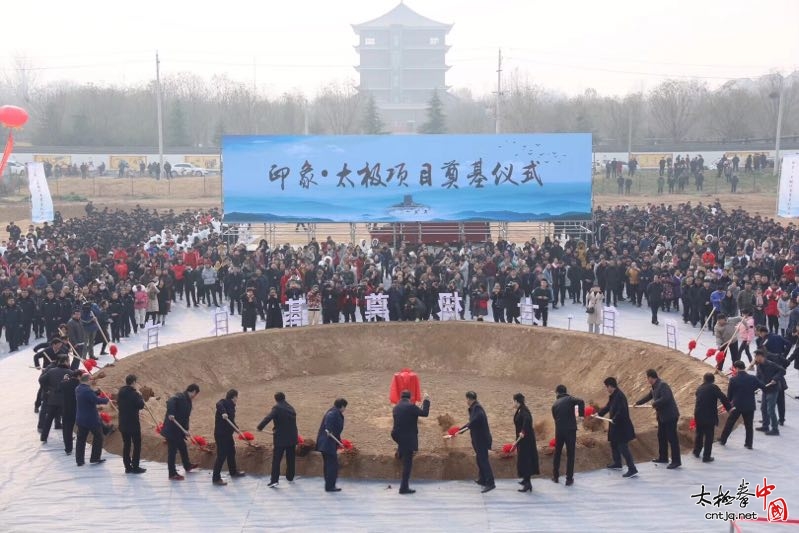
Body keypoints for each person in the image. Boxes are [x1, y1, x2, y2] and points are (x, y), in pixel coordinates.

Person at [634, 369, 681, 469]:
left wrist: (655, 403)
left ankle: (676, 461)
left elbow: (666, 398)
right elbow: (649, 396)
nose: (647, 380)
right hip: (662, 416)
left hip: (670, 416)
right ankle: (663, 457)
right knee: (661, 436)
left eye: (647, 378)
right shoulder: (654, 387)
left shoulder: (663, 385)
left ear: (651, 377)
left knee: (672, 439)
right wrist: (638, 403)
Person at [391, 389, 431, 495]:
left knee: (402, 446)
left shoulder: (396, 407)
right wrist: (426, 400)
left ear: (401, 397)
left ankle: (400, 452)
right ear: (410, 398)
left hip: (396, 435)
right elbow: (425, 413)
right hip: (407, 438)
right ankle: (403, 488)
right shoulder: (411, 407)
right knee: (407, 464)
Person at [596, 377, 637, 478]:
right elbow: (608, 406)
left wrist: (615, 418)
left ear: (610, 386)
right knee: (614, 443)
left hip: (622, 426)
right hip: (615, 426)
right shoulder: (613, 396)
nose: (607, 389)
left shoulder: (620, 396)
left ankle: (632, 469)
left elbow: (621, 410)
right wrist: (599, 414)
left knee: (623, 447)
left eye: (607, 387)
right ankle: (617, 462)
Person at [719, 360, 765, 449]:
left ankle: (723, 440)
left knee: (730, 423)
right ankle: (749, 444)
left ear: (736, 368)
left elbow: (729, 397)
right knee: (749, 426)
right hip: (749, 406)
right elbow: (762, 386)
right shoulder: (753, 378)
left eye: (734, 369)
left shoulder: (733, 379)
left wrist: (727, 405)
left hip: (737, 405)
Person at [455, 391, 495, 493]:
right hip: (478, 439)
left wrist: (466, 428)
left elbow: (477, 419)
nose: (466, 401)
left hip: (482, 440)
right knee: (479, 459)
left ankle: (490, 483)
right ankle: (482, 479)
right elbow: (471, 422)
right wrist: (461, 429)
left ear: (470, 399)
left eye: (467, 399)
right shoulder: (474, 408)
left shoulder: (477, 408)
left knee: (483, 460)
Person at [258, 391, 298, 488]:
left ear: (276, 399)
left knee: (277, 460)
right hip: (292, 437)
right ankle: (290, 476)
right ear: (284, 398)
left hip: (281, 438)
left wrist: (260, 427)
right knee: (291, 458)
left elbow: (268, 417)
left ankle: (274, 480)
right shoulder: (291, 408)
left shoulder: (277, 408)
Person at [161, 384, 200, 481]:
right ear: (194, 391)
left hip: (179, 431)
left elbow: (185, 417)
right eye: (196, 393)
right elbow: (170, 401)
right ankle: (172, 473)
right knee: (172, 452)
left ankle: (187, 465)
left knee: (182, 447)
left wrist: (186, 430)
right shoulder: (180, 396)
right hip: (172, 430)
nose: (195, 396)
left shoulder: (188, 401)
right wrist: (171, 413)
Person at [692, 373, 732, 463]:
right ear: (713, 380)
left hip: (698, 414)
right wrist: (729, 408)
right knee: (709, 436)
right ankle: (706, 457)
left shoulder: (699, 388)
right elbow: (723, 398)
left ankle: (696, 451)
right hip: (709, 415)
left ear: (704, 379)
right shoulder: (714, 387)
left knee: (699, 434)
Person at [551, 384, 584, 486]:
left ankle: (555, 477)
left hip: (559, 431)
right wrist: (581, 416)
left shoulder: (555, 405)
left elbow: (555, 419)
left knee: (557, 453)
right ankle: (569, 479)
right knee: (570, 455)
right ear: (565, 391)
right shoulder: (570, 399)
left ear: (557, 393)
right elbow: (581, 401)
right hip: (570, 431)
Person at [74, 373, 110, 466]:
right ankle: (95, 457)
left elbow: (89, 397)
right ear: (88, 380)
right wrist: (106, 400)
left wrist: (96, 393)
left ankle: (79, 460)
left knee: (81, 440)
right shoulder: (87, 391)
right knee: (98, 437)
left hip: (81, 418)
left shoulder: (78, 388)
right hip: (91, 419)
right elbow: (96, 400)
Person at [212, 389, 246, 486]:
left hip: (227, 434)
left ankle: (233, 471)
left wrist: (237, 430)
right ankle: (216, 478)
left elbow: (231, 421)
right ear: (234, 397)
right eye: (236, 397)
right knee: (221, 455)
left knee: (231, 452)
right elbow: (218, 404)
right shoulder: (224, 403)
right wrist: (223, 412)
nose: (237, 399)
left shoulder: (232, 407)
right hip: (221, 434)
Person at [38, 355, 72, 444]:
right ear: (65, 361)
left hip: (52, 399)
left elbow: (41, 380)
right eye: (68, 361)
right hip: (64, 400)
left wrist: (47, 389)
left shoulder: (51, 371)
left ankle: (43, 437)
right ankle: (67, 438)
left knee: (48, 419)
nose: (69, 363)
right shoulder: (70, 372)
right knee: (65, 420)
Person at [315, 398, 347, 492]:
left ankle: (329, 484)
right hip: (327, 444)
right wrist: (329, 430)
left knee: (329, 464)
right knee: (332, 465)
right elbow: (329, 429)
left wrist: (339, 442)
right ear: (342, 406)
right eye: (345, 407)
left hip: (328, 443)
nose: (344, 409)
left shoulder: (333, 412)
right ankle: (330, 486)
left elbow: (335, 432)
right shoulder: (333, 413)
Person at [117, 374, 147, 474]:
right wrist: (140, 395)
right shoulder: (134, 394)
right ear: (133, 382)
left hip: (122, 422)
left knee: (126, 445)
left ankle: (127, 467)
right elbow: (141, 405)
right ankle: (135, 466)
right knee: (137, 444)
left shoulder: (121, 392)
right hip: (133, 423)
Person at [752, 349, 786, 436]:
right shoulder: (759, 366)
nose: (755, 358)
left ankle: (775, 429)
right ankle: (765, 426)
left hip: (773, 389)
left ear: (761, 356)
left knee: (770, 410)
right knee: (763, 408)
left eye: (755, 356)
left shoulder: (771, 364)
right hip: (765, 389)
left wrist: (775, 378)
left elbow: (782, 370)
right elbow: (758, 378)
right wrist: (753, 386)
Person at [512, 393, 539, 492]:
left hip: (526, 440)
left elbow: (527, 421)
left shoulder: (524, 410)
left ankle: (528, 484)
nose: (513, 403)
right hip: (522, 440)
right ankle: (525, 479)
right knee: (523, 459)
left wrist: (522, 432)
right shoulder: (520, 410)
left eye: (513, 401)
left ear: (517, 401)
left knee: (525, 460)